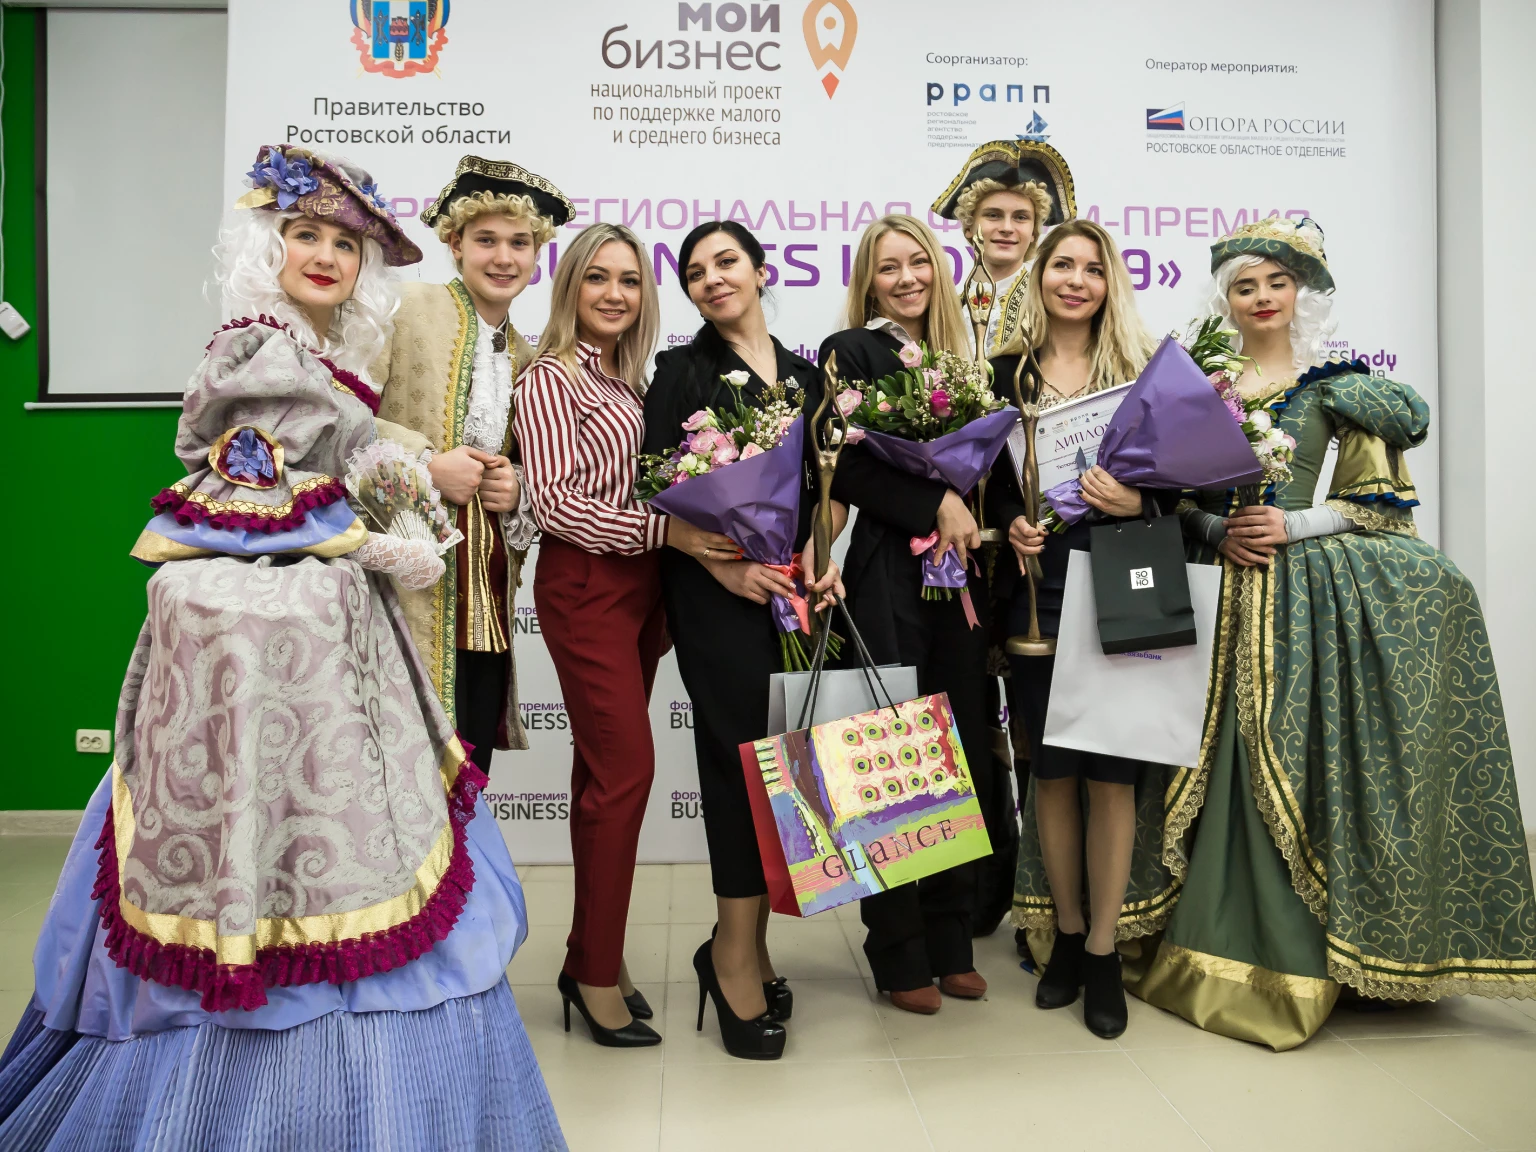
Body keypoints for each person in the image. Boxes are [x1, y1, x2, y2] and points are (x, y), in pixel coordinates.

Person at [0, 145, 565, 1149]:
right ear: (270, 246)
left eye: (345, 245)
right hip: (266, 635)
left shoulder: (321, 355)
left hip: (326, 633)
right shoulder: (255, 349)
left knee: (333, 825)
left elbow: (340, 458)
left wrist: (393, 490)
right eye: (305, 235)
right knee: (273, 827)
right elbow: (248, 488)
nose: (325, 256)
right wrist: (375, 538)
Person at [1133, 216, 1536, 1048]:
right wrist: (1217, 531)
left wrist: (1292, 525)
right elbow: (1171, 501)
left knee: (1299, 758)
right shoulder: (1202, 386)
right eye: (1245, 286)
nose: (1261, 298)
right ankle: (1197, 938)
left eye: (1276, 283)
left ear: (1301, 293)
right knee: (1203, 759)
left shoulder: (1338, 387)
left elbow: (1378, 504)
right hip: (1212, 591)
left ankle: (1315, 955)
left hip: (1298, 599)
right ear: (1226, 300)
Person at [514, 223, 736, 1048]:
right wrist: (671, 534)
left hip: (640, 593)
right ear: (570, 285)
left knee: (599, 779)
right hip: (586, 587)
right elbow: (557, 506)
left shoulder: (629, 380)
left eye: (631, 280)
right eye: (598, 277)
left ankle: (591, 954)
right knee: (626, 775)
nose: (615, 293)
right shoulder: (550, 379)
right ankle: (594, 975)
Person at [644, 220, 845, 1059]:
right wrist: (724, 570)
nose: (712, 280)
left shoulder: (809, 377)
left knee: (785, 769)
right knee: (737, 772)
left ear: (762, 271)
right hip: (717, 595)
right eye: (695, 273)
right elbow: (658, 488)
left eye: (726, 262)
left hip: (795, 595)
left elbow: (833, 483)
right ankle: (729, 955)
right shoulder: (679, 372)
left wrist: (820, 551)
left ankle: (753, 947)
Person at [808, 214, 991, 1015]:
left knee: (958, 751)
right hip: (886, 572)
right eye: (889, 267)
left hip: (960, 580)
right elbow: (840, 467)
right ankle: (898, 947)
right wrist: (935, 501)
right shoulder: (850, 351)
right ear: (869, 282)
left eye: (919, 261)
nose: (908, 277)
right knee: (892, 759)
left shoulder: (964, 359)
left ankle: (953, 939)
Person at [988, 218, 1162, 1040]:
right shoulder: (1003, 375)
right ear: (1039, 275)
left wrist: (1141, 501)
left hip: (1125, 583)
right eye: (1062, 265)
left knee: (1113, 777)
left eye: (1093, 268)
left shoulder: (1143, 373)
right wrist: (1009, 526)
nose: (1076, 280)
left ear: (1108, 283)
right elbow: (982, 484)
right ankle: (1062, 933)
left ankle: (1101, 953)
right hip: (1038, 593)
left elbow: (1191, 484)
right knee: (1052, 773)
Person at [373, 155, 573, 776]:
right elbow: (338, 416)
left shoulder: (529, 355)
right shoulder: (405, 308)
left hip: (486, 591)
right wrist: (426, 464)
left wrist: (517, 488)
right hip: (405, 586)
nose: (504, 258)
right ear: (455, 244)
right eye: (486, 240)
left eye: (520, 243)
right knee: (402, 762)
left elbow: (533, 469)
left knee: (471, 761)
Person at [931, 139, 1077, 357]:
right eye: (993, 215)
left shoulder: (1051, 303)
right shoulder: (945, 308)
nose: (1007, 228)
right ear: (969, 226)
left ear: (1034, 232)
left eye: (1021, 217)